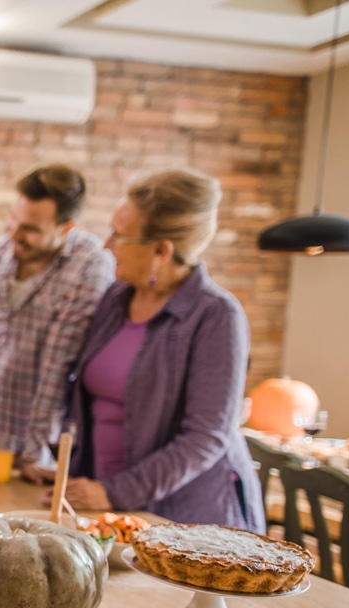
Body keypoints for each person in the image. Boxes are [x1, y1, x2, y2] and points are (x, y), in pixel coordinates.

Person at [58, 169, 265, 532]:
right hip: (108, 507)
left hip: (186, 518)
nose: (107, 245)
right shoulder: (115, 297)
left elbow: (206, 437)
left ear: (160, 251)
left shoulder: (217, 316)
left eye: (120, 236)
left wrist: (115, 491)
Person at [0, 163, 114, 482]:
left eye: (30, 228)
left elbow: (59, 362)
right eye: (14, 219)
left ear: (66, 228)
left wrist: (35, 450)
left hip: (47, 450)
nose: (15, 234)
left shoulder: (90, 264)